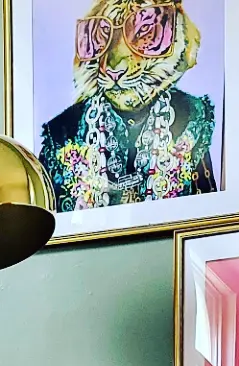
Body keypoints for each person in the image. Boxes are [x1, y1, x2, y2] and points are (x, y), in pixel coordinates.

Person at [40, 1, 216, 210]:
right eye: (105, 34)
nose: (114, 65)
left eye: (143, 30)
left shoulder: (192, 117)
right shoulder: (61, 133)